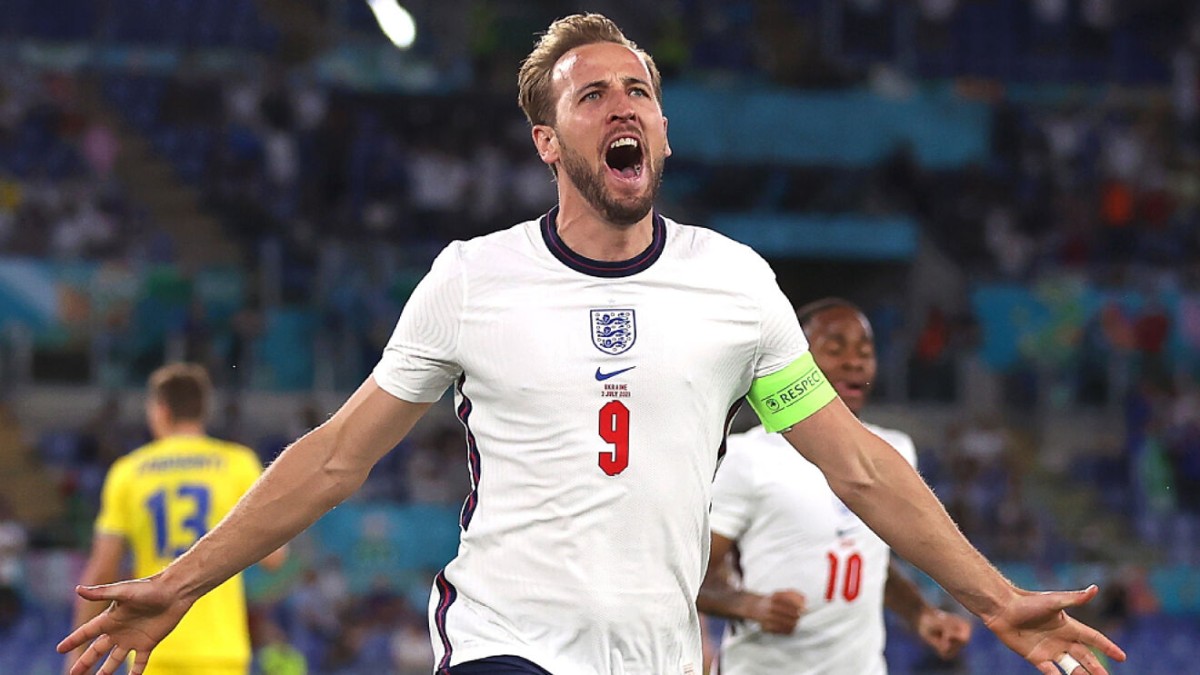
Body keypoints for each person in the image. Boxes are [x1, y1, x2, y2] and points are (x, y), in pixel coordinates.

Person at [61, 13, 1123, 675]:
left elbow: (859, 467)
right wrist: (185, 580)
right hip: (505, 641)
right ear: (548, 140)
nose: (625, 105)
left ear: (662, 133)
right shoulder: (472, 279)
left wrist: (996, 598)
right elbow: (338, 457)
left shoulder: (735, 285)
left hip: (659, 654)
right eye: (593, 93)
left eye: (640, 91)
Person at [697, 298, 973, 673]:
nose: (854, 362)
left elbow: (873, 560)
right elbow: (691, 578)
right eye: (835, 349)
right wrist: (749, 605)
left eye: (865, 352)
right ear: (795, 362)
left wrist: (921, 615)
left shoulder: (894, 451)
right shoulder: (749, 457)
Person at [65, 363, 286, 675]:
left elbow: (103, 570)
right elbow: (274, 559)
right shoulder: (238, 464)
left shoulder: (128, 472)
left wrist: (76, 651)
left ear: (161, 410)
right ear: (203, 410)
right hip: (220, 649)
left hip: (151, 648)